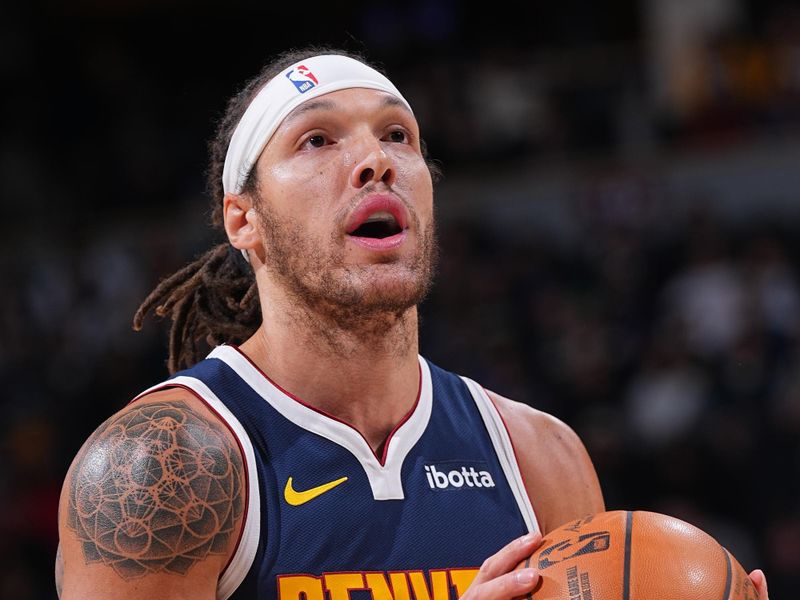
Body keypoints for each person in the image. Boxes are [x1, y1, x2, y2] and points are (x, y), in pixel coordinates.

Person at [55, 47, 769, 600]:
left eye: (398, 135)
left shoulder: (540, 456)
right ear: (245, 220)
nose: (375, 161)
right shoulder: (160, 468)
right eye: (317, 142)